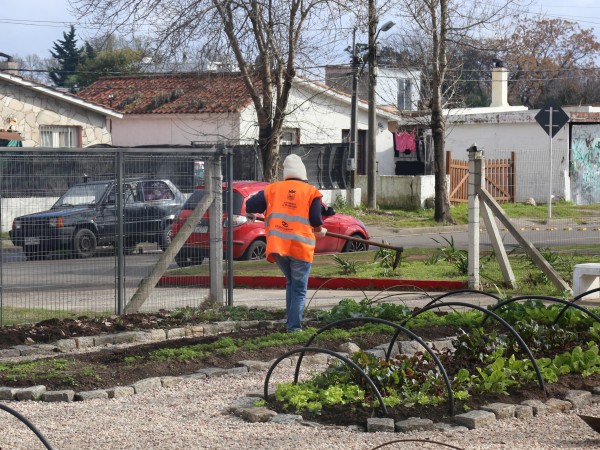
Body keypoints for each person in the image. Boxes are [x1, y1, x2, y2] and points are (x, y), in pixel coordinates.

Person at [246, 154, 327, 332]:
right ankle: (294, 329)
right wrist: (320, 231)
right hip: (300, 247)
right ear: (303, 175)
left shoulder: (272, 189)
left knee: (291, 283)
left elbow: (251, 204)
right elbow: (315, 218)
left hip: (278, 247)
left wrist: (250, 212)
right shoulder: (311, 192)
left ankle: (290, 324)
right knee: (299, 288)